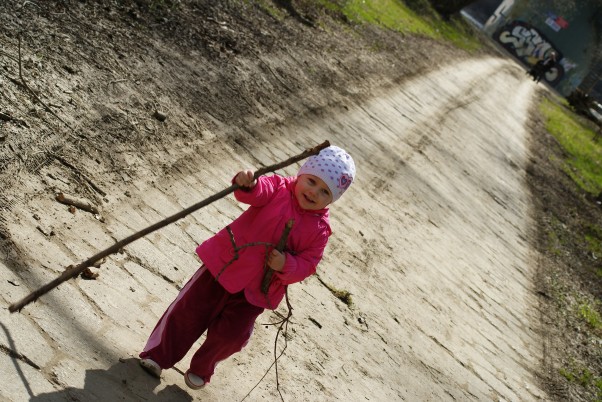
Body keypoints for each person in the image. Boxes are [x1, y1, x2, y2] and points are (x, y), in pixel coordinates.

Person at [138, 145, 356, 390]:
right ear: (302, 174)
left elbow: (309, 264)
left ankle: (203, 366)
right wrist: (248, 183)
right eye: (312, 181)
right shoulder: (278, 187)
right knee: (187, 313)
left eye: (325, 191)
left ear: (333, 199)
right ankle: (158, 356)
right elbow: (256, 193)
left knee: (232, 336)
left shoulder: (320, 231)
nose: (314, 192)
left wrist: (287, 264)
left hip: (257, 292)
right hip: (224, 266)